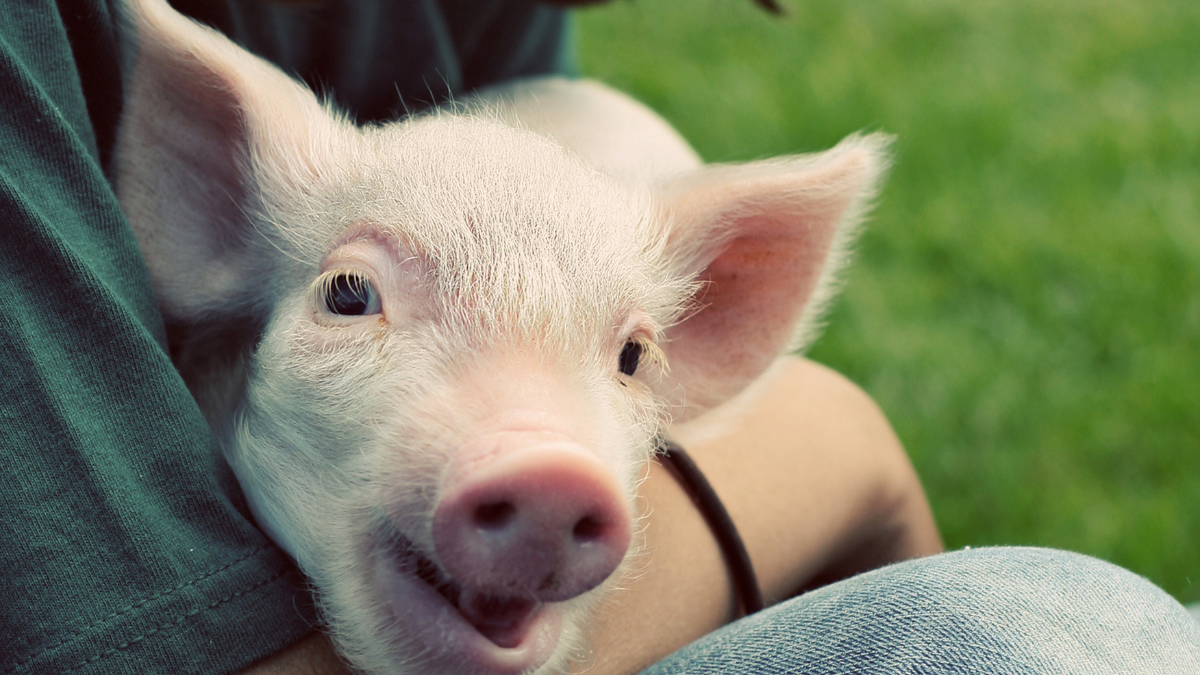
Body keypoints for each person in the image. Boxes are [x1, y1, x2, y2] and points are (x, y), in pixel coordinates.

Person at [0, 2, 1195, 675]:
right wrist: (842, 447)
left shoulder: (532, 96)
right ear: (209, 192)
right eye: (355, 298)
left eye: (633, 359)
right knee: (1035, 632)